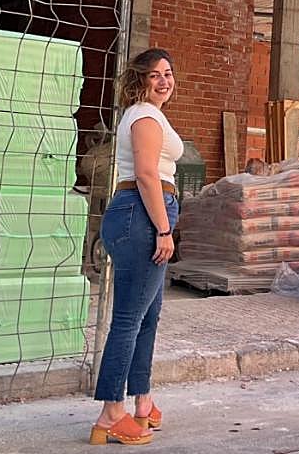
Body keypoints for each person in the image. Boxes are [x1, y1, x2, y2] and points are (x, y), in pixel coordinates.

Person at [90, 48, 183, 446]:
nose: (164, 80)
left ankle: (142, 403)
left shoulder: (150, 114)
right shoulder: (144, 115)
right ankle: (111, 413)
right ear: (141, 80)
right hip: (141, 216)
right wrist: (164, 229)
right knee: (129, 317)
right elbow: (146, 174)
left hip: (142, 214)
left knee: (149, 316)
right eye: (155, 75)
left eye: (168, 72)